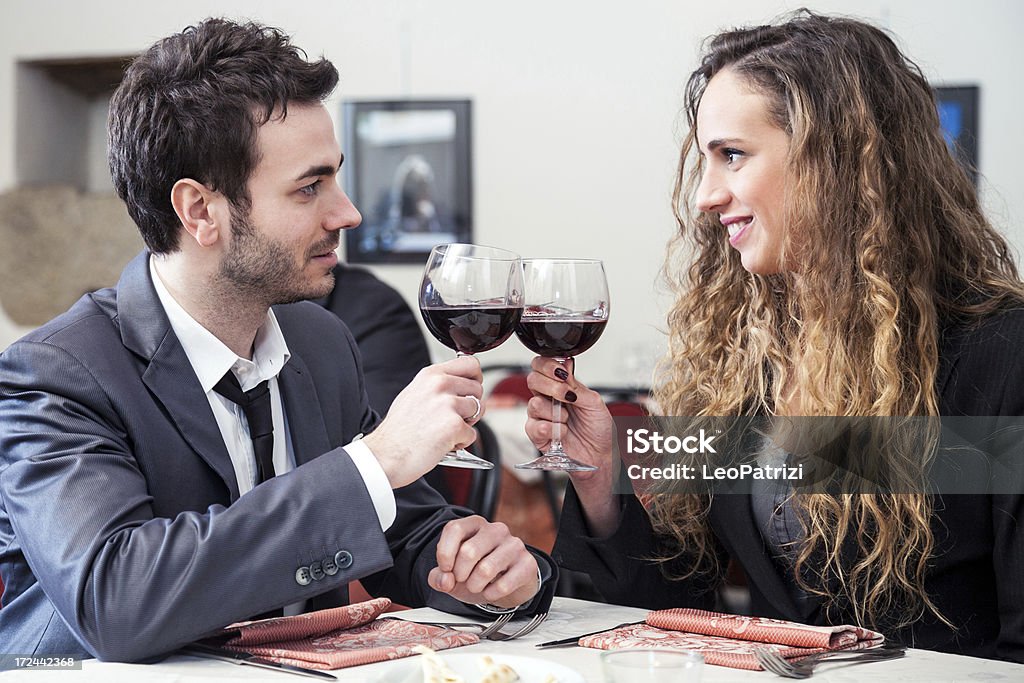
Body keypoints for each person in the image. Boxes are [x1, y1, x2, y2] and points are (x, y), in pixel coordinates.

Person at [0, 18, 554, 662]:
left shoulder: (321, 343)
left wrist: (486, 572)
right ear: (200, 211)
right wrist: (375, 461)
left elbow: (402, 534)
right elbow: (117, 600)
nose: (347, 213)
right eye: (309, 187)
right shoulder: (56, 373)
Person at [526, 10, 1024, 662]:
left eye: (732, 154)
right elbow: (686, 609)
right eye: (705, 159)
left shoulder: (1001, 358)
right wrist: (602, 478)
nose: (705, 195)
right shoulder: (743, 357)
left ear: (836, 158)